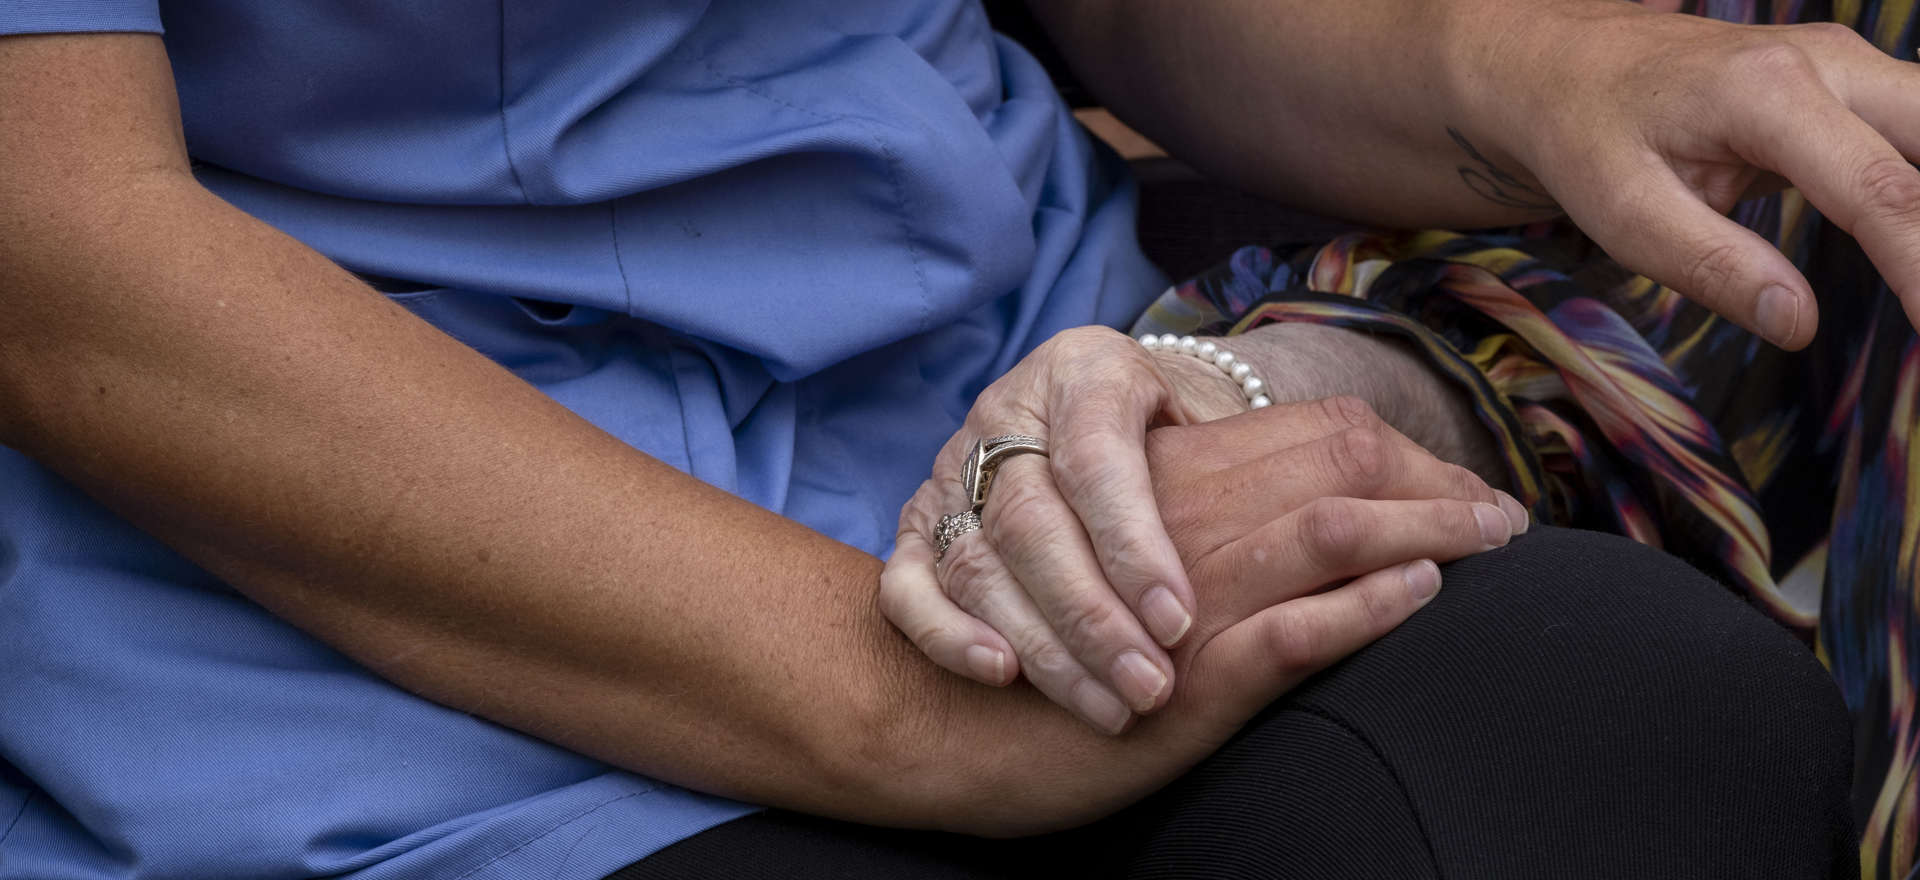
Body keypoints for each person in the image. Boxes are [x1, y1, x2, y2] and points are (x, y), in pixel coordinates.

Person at [0, 0, 1894, 877]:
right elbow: (58, 255)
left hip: (1019, 395)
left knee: (1632, 730)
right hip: (374, 620)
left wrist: (1555, 76)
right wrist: (899, 698)